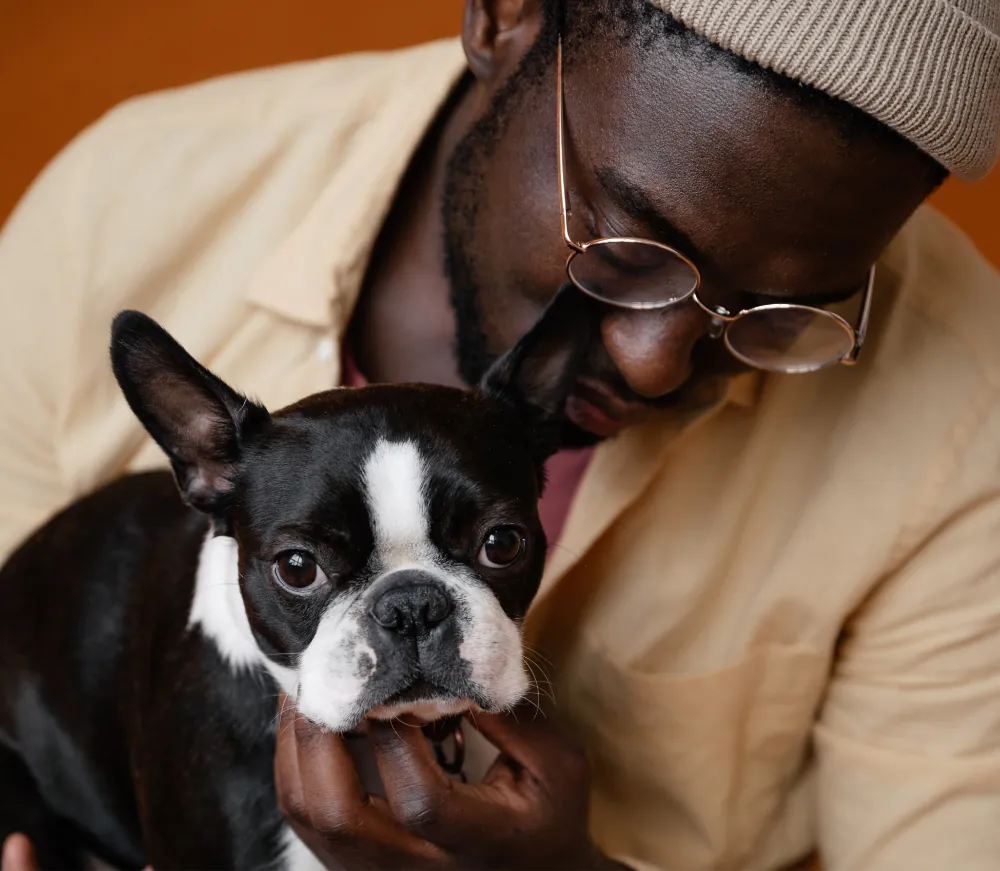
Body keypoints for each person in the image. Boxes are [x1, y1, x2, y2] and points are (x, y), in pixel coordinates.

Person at [2, 0, 999, 867]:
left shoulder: (963, 414)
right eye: (626, 247)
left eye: (779, 315)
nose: (655, 360)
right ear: (502, 15)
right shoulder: (121, 205)